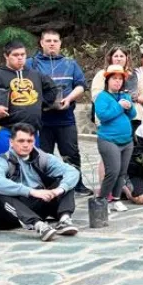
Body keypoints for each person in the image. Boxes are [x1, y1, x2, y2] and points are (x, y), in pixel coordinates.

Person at [0, 123, 80, 240]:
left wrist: (58, 190)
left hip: (34, 206)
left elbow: (72, 172)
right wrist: (32, 192)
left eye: (29, 141)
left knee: (67, 183)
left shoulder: (43, 158)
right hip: (8, 212)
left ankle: (64, 220)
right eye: (21, 141)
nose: (25, 145)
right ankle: (39, 226)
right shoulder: (2, 161)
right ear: (11, 142)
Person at [27, 30, 92, 196]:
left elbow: (81, 85)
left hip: (65, 119)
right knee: (42, 156)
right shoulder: (31, 64)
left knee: (71, 154)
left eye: (55, 41)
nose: (52, 44)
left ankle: (77, 185)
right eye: (48, 40)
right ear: (41, 43)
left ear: (60, 43)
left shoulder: (70, 64)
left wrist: (69, 99)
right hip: (41, 121)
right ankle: (45, 186)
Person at [0, 40, 58, 157]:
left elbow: (52, 89)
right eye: (15, 55)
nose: (20, 58)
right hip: (4, 131)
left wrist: (40, 103)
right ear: (6, 56)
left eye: (22, 54)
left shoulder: (36, 75)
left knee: (30, 166)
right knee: (5, 164)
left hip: (30, 132)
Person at [94, 64, 136, 212]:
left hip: (127, 141)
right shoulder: (102, 97)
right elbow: (103, 116)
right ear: (108, 81)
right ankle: (102, 200)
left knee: (122, 172)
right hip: (108, 140)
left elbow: (133, 115)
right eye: (114, 78)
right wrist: (119, 106)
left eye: (120, 79)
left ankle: (116, 200)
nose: (117, 81)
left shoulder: (125, 95)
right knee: (113, 171)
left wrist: (129, 107)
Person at [90, 47, 143, 129]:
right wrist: (118, 103)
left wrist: (134, 99)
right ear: (110, 58)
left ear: (127, 58)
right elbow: (96, 96)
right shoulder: (102, 74)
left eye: (121, 56)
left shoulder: (137, 74)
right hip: (109, 115)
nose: (119, 59)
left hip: (134, 116)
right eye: (116, 56)